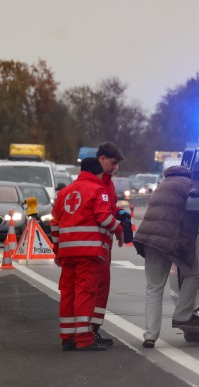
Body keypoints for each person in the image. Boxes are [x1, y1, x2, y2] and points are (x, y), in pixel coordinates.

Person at [133, 165, 199, 348]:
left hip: (149, 240)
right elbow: (198, 212)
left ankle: (150, 336)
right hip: (170, 241)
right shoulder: (189, 186)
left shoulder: (162, 185)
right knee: (193, 274)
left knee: (153, 288)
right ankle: (182, 316)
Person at [50, 157, 120, 352]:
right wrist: (120, 229)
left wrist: (58, 251)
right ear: (97, 173)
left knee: (68, 293)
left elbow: (54, 224)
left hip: (67, 253)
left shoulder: (63, 193)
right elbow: (104, 218)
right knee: (85, 293)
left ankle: (68, 337)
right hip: (88, 253)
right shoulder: (98, 190)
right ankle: (84, 339)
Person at [90, 141, 128, 346]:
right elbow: (101, 214)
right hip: (94, 245)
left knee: (101, 288)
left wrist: (118, 214)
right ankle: (88, 332)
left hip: (103, 244)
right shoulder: (97, 182)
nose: (116, 168)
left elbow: (107, 209)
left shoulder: (108, 182)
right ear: (102, 159)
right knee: (93, 289)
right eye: (113, 163)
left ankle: (92, 330)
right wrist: (119, 230)